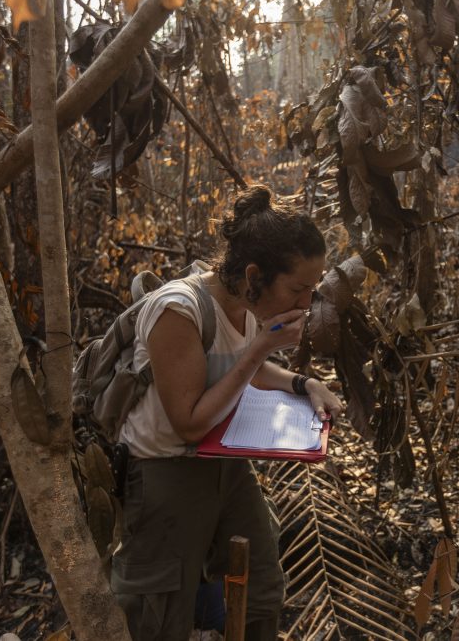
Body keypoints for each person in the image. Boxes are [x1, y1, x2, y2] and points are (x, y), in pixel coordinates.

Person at [110, 185, 343, 641]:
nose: (304, 304)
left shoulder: (250, 302)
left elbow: (247, 371)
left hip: (224, 463)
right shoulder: (177, 310)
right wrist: (260, 348)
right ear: (255, 275)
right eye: (298, 289)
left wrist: (304, 383)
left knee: (260, 589)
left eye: (312, 290)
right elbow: (190, 421)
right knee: (161, 613)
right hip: (162, 471)